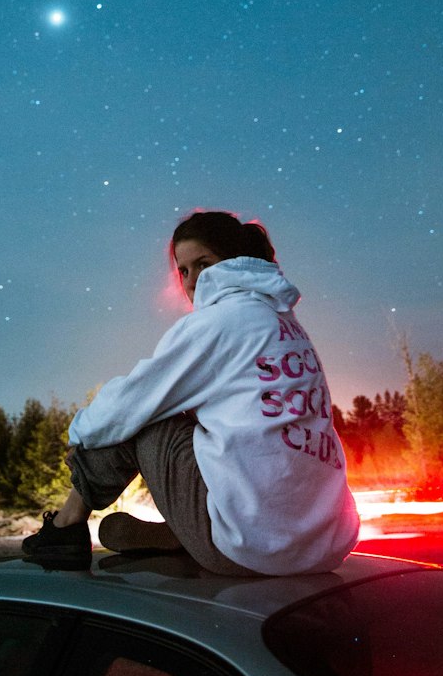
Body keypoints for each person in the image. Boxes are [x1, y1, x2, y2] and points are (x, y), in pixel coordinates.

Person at [22, 209, 360, 575]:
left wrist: (80, 435)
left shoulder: (218, 322)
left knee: (144, 416)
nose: (193, 280)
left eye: (204, 263)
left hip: (253, 548)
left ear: (235, 260)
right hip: (323, 545)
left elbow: (130, 402)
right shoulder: (285, 324)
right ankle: (185, 531)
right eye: (183, 270)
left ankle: (66, 527)